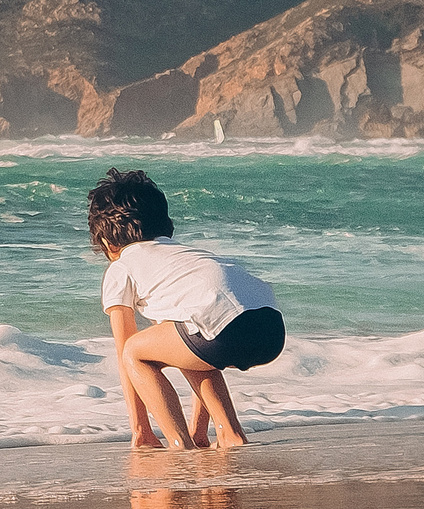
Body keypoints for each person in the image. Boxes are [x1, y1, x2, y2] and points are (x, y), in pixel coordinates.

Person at [92, 168, 285, 449]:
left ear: (108, 243)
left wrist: (141, 429)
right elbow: (195, 357)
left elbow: (125, 354)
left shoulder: (122, 265)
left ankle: (178, 444)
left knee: (135, 351)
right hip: (271, 328)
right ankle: (229, 434)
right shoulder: (187, 257)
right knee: (184, 340)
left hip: (223, 331)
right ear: (164, 225)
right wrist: (200, 430)